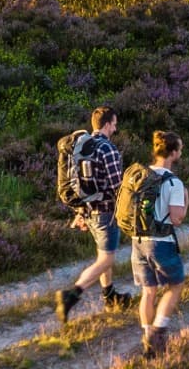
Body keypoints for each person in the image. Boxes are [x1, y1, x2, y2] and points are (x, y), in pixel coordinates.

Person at [54, 105, 133, 326]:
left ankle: (110, 296)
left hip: (89, 212)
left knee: (102, 254)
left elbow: (80, 181)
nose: (116, 129)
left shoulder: (84, 147)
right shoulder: (107, 149)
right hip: (106, 212)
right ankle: (71, 295)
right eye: (115, 124)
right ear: (107, 124)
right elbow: (118, 187)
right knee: (106, 258)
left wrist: (80, 211)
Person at [128, 131, 189, 356]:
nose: (180, 152)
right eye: (179, 149)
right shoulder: (173, 182)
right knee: (176, 285)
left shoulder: (141, 175)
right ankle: (158, 332)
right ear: (173, 153)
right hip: (161, 243)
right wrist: (186, 200)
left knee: (148, 291)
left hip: (138, 241)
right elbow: (177, 218)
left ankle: (147, 337)